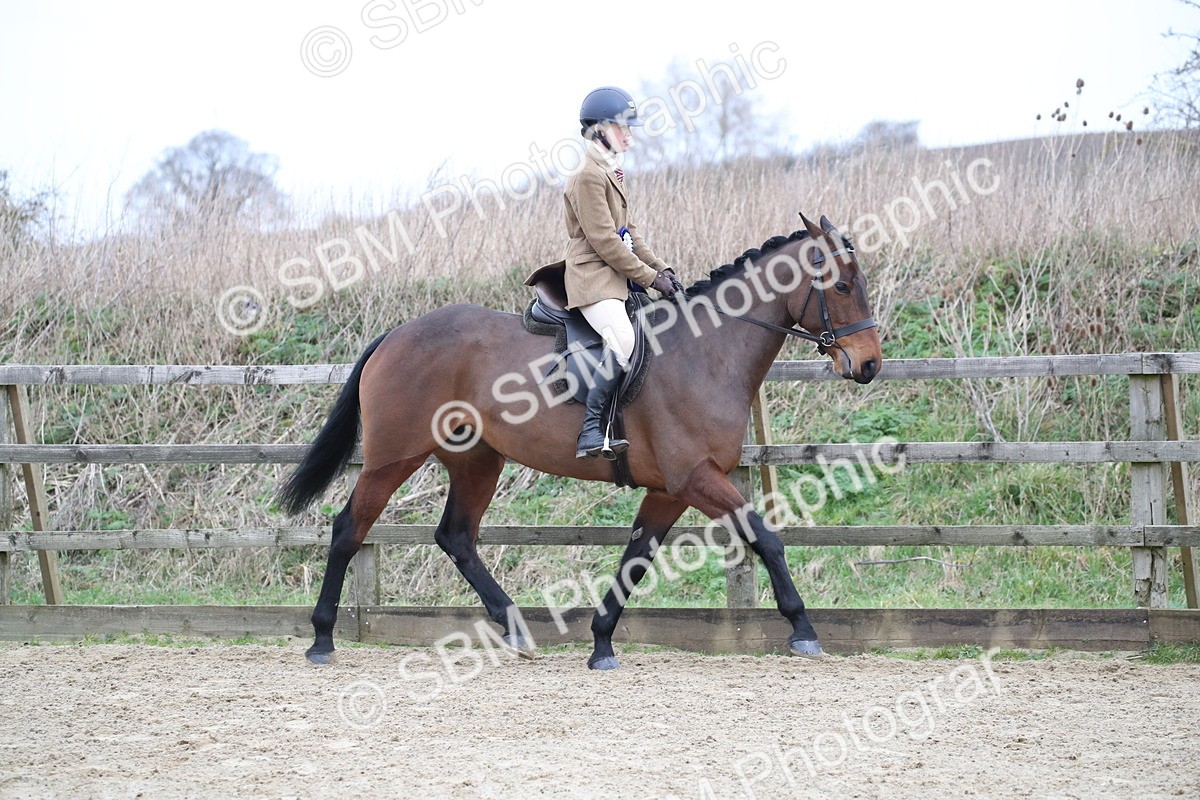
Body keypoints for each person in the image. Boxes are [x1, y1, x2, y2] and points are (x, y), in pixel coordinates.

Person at [563, 86, 680, 460]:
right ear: (598, 129)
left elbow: (630, 234)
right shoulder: (587, 176)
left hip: (614, 274)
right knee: (624, 340)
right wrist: (648, 278)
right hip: (592, 278)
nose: (629, 135)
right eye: (622, 127)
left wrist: (663, 270)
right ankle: (591, 429)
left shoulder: (610, 170)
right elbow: (605, 242)